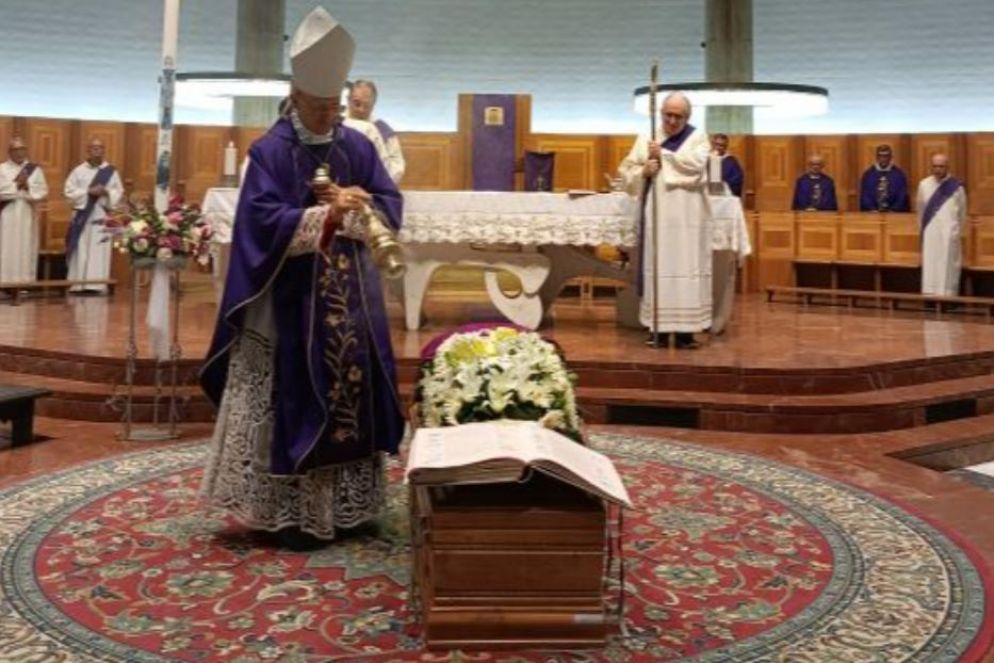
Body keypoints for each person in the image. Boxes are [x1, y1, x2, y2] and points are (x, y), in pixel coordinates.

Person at [199, 6, 405, 545]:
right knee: (290, 397)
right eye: (318, 108)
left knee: (352, 392)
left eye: (335, 107)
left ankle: (348, 508)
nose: (329, 117)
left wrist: (363, 207)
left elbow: (389, 200)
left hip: (351, 299)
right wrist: (323, 217)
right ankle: (290, 511)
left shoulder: (357, 144)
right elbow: (260, 222)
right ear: (294, 99)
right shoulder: (270, 151)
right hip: (288, 299)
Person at [618, 91, 711, 349]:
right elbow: (626, 171)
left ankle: (685, 333)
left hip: (687, 220)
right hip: (658, 217)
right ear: (661, 114)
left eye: (677, 116)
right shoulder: (647, 137)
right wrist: (643, 172)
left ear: (687, 117)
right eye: (667, 115)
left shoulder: (697, 137)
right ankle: (657, 329)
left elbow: (698, 166)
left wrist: (664, 156)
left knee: (685, 269)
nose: (671, 121)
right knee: (658, 267)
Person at [64, 139, 123, 293]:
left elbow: (119, 192)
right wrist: (88, 192)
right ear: (88, 151)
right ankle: (78, 284)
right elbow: (68, 193)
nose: (97, 151)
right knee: (81, 247)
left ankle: (97, 285)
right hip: (83, 215)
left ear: (104, 151)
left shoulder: (111, 172)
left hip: (101, 214)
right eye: (94, 148)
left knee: (99, 248)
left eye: (100, 148)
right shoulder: (78, 171)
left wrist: (107, 192)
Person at [917, 153, 967, 296]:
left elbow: (962, 213)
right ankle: (930, 296)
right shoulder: (924, 185)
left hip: (949, 233)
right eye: (935, 166)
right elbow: (920, 211)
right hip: (930, 233)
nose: (938, 169)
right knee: (931, 264)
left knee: (948, 265)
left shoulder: (956, 187)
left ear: (947, 167)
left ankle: (948, 296)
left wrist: (955, 231)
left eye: (941, 166)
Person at [0, 138, 48, 284]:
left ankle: (24, 282)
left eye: (23, 149)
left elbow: (43, 191)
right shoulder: (2, 169)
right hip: (6, 214)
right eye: (16, 150)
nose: (20, 153)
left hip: (27, 213)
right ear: (10, 152)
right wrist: (16, 185)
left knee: (25, 247)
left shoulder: (35, 170)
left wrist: (28, 187)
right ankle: (3, 281)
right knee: (5, 246)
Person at [346, 79, 405, 184]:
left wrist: (380, 185)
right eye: (357, 103)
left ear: (373, 104)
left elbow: (397, 165)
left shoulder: (383, 131)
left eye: (367, 105)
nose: (361, 109)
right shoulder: (336, 125)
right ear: (348, 100)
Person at [859, 144, 910, 212]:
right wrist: (872, 210)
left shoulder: (899, 175)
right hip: (872, 214)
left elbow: (902, 197)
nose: (883, 159)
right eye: (881, 156)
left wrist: (894, 210)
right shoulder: (868, 175)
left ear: (891, 157)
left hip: (895, 215)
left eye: (886, 156)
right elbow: (865, 197)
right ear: (877, 157)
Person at [709, 133, 744, 198]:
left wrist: (723, 186)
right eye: (717, 144)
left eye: (722, 145)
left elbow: (736, 181)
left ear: (726, 147)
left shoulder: (731, 161)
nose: (719, 147)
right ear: (712, 145)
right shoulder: (705, 159)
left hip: (724, 196)